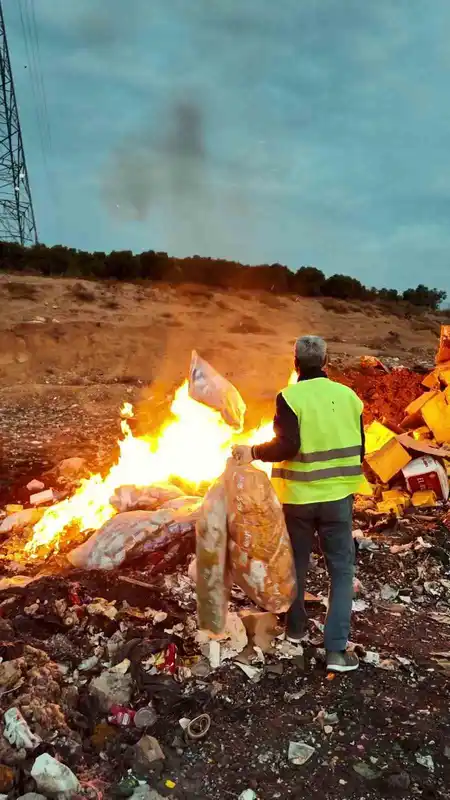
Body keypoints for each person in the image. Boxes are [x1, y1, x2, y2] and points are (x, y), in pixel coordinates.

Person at [232, 335, 365, 673]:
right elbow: (360, 447)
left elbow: (287, 446)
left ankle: (294, 630)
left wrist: (252, 452)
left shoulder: (289, 397)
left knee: (297, 567)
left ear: (296, 362)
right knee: (342, 572)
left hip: (299, 500)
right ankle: (335, 652)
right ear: (325, 360)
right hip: (338, 499)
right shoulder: (349, 396)